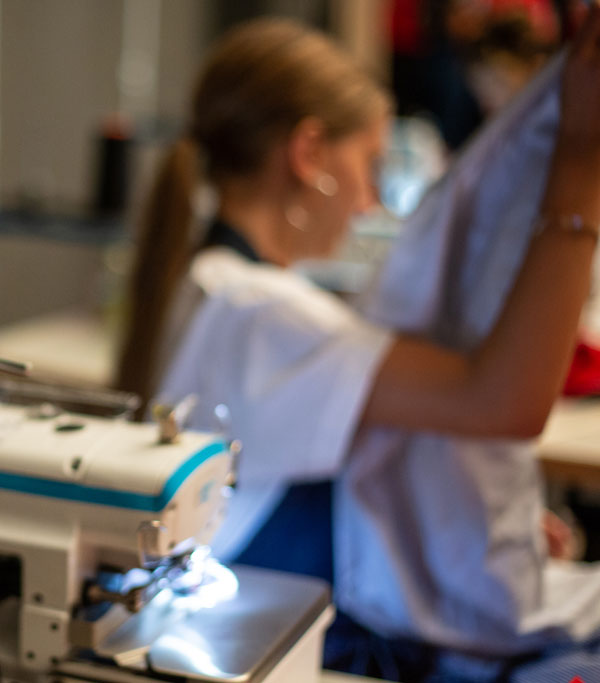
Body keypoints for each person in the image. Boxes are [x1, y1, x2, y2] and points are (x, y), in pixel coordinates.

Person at [115, 11, 600, 682]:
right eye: (370, 165)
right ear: (309, 154)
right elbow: (505, 400)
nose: (370, 203)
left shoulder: (216, 289)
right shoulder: (259, 314)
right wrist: (578, 166)